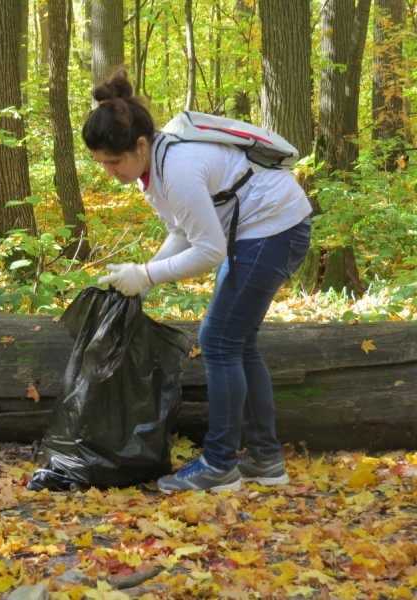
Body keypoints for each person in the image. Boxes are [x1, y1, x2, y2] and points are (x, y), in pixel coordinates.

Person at [85, 70, 312, 493]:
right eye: (101, 163)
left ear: (139, 145)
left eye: (114, 162)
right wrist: (146, 276)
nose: (109, 172)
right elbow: (183, 231)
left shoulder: (179, 168)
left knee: (219, 340)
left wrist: (147, 275)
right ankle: (264, 460)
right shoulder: (153, 165)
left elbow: (209, 252)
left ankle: (220, 464)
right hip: (259, 230)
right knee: (237, 342)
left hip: (274, 228)